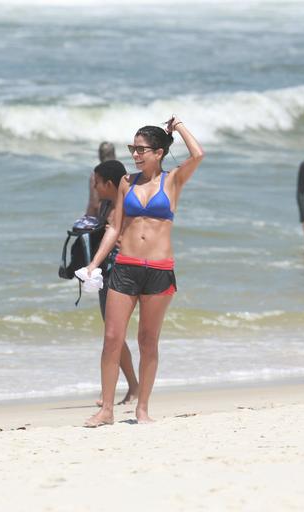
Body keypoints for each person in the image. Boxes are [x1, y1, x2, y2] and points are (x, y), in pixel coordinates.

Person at [80, 116, 204, 426]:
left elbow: (198, 154)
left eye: (141, 149)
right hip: (125, 267)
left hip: (160, 270)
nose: (135, 155)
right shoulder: (126, 183)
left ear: (158, 152)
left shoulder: (173, 180)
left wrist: (179, 128)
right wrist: (94, 263)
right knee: (112, 337)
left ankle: (143, 409)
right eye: (132, 148)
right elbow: (114, 227)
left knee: (148, 341)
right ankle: (106, 409)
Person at [92, 159, 138, 406]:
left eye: (97, 183)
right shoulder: (106, 205)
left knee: (113, 335)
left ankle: (130, 387)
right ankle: (131, 386)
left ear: (110, 184)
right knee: (114, 335)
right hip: (106, 273)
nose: (95, 188)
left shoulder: (124, 207)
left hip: (118, 273)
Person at [85, 142, 117, 218]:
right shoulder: (121, 173)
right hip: (115, 218)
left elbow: (94, 203)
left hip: (97, 218)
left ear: (100, 156)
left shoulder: (96, 175)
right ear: (114, 155)